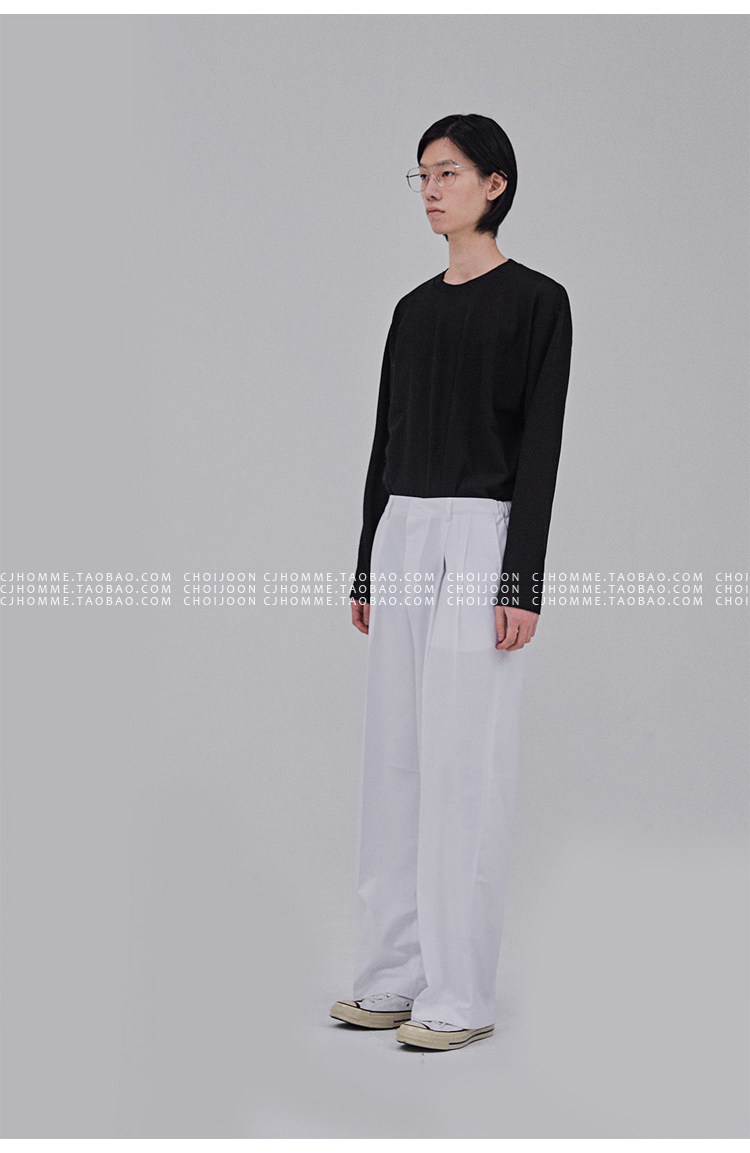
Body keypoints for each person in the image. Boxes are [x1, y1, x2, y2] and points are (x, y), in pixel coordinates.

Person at [330, 113, 573, 1051]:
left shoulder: (538, 303)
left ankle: (460, 992)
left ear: (495, 184)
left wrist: (522, 581)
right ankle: (391, 974)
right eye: (422, 175)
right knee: (394, 752)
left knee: (465, 757)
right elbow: (384, 441)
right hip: (403, 529)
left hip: (481, 534)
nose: (431, 190)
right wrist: (366, 561)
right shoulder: (412, 310)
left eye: (449, 173)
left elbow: (541, 450)